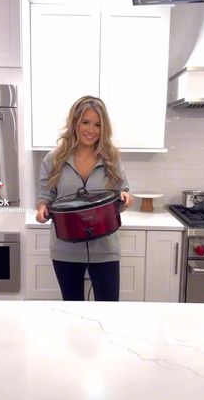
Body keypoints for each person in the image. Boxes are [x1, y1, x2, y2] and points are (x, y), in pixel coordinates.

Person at [36, 95, 133, 301]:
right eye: (85, 122)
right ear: (75, 123)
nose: (91, 130)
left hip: (105, 247)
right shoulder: (53, 159)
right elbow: (46, 195)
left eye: (98, 124)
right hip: (66, 248)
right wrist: (42, 208)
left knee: (108, 308)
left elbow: (121, 191)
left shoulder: (111, 158)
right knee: (73, 309)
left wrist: (124, 198)